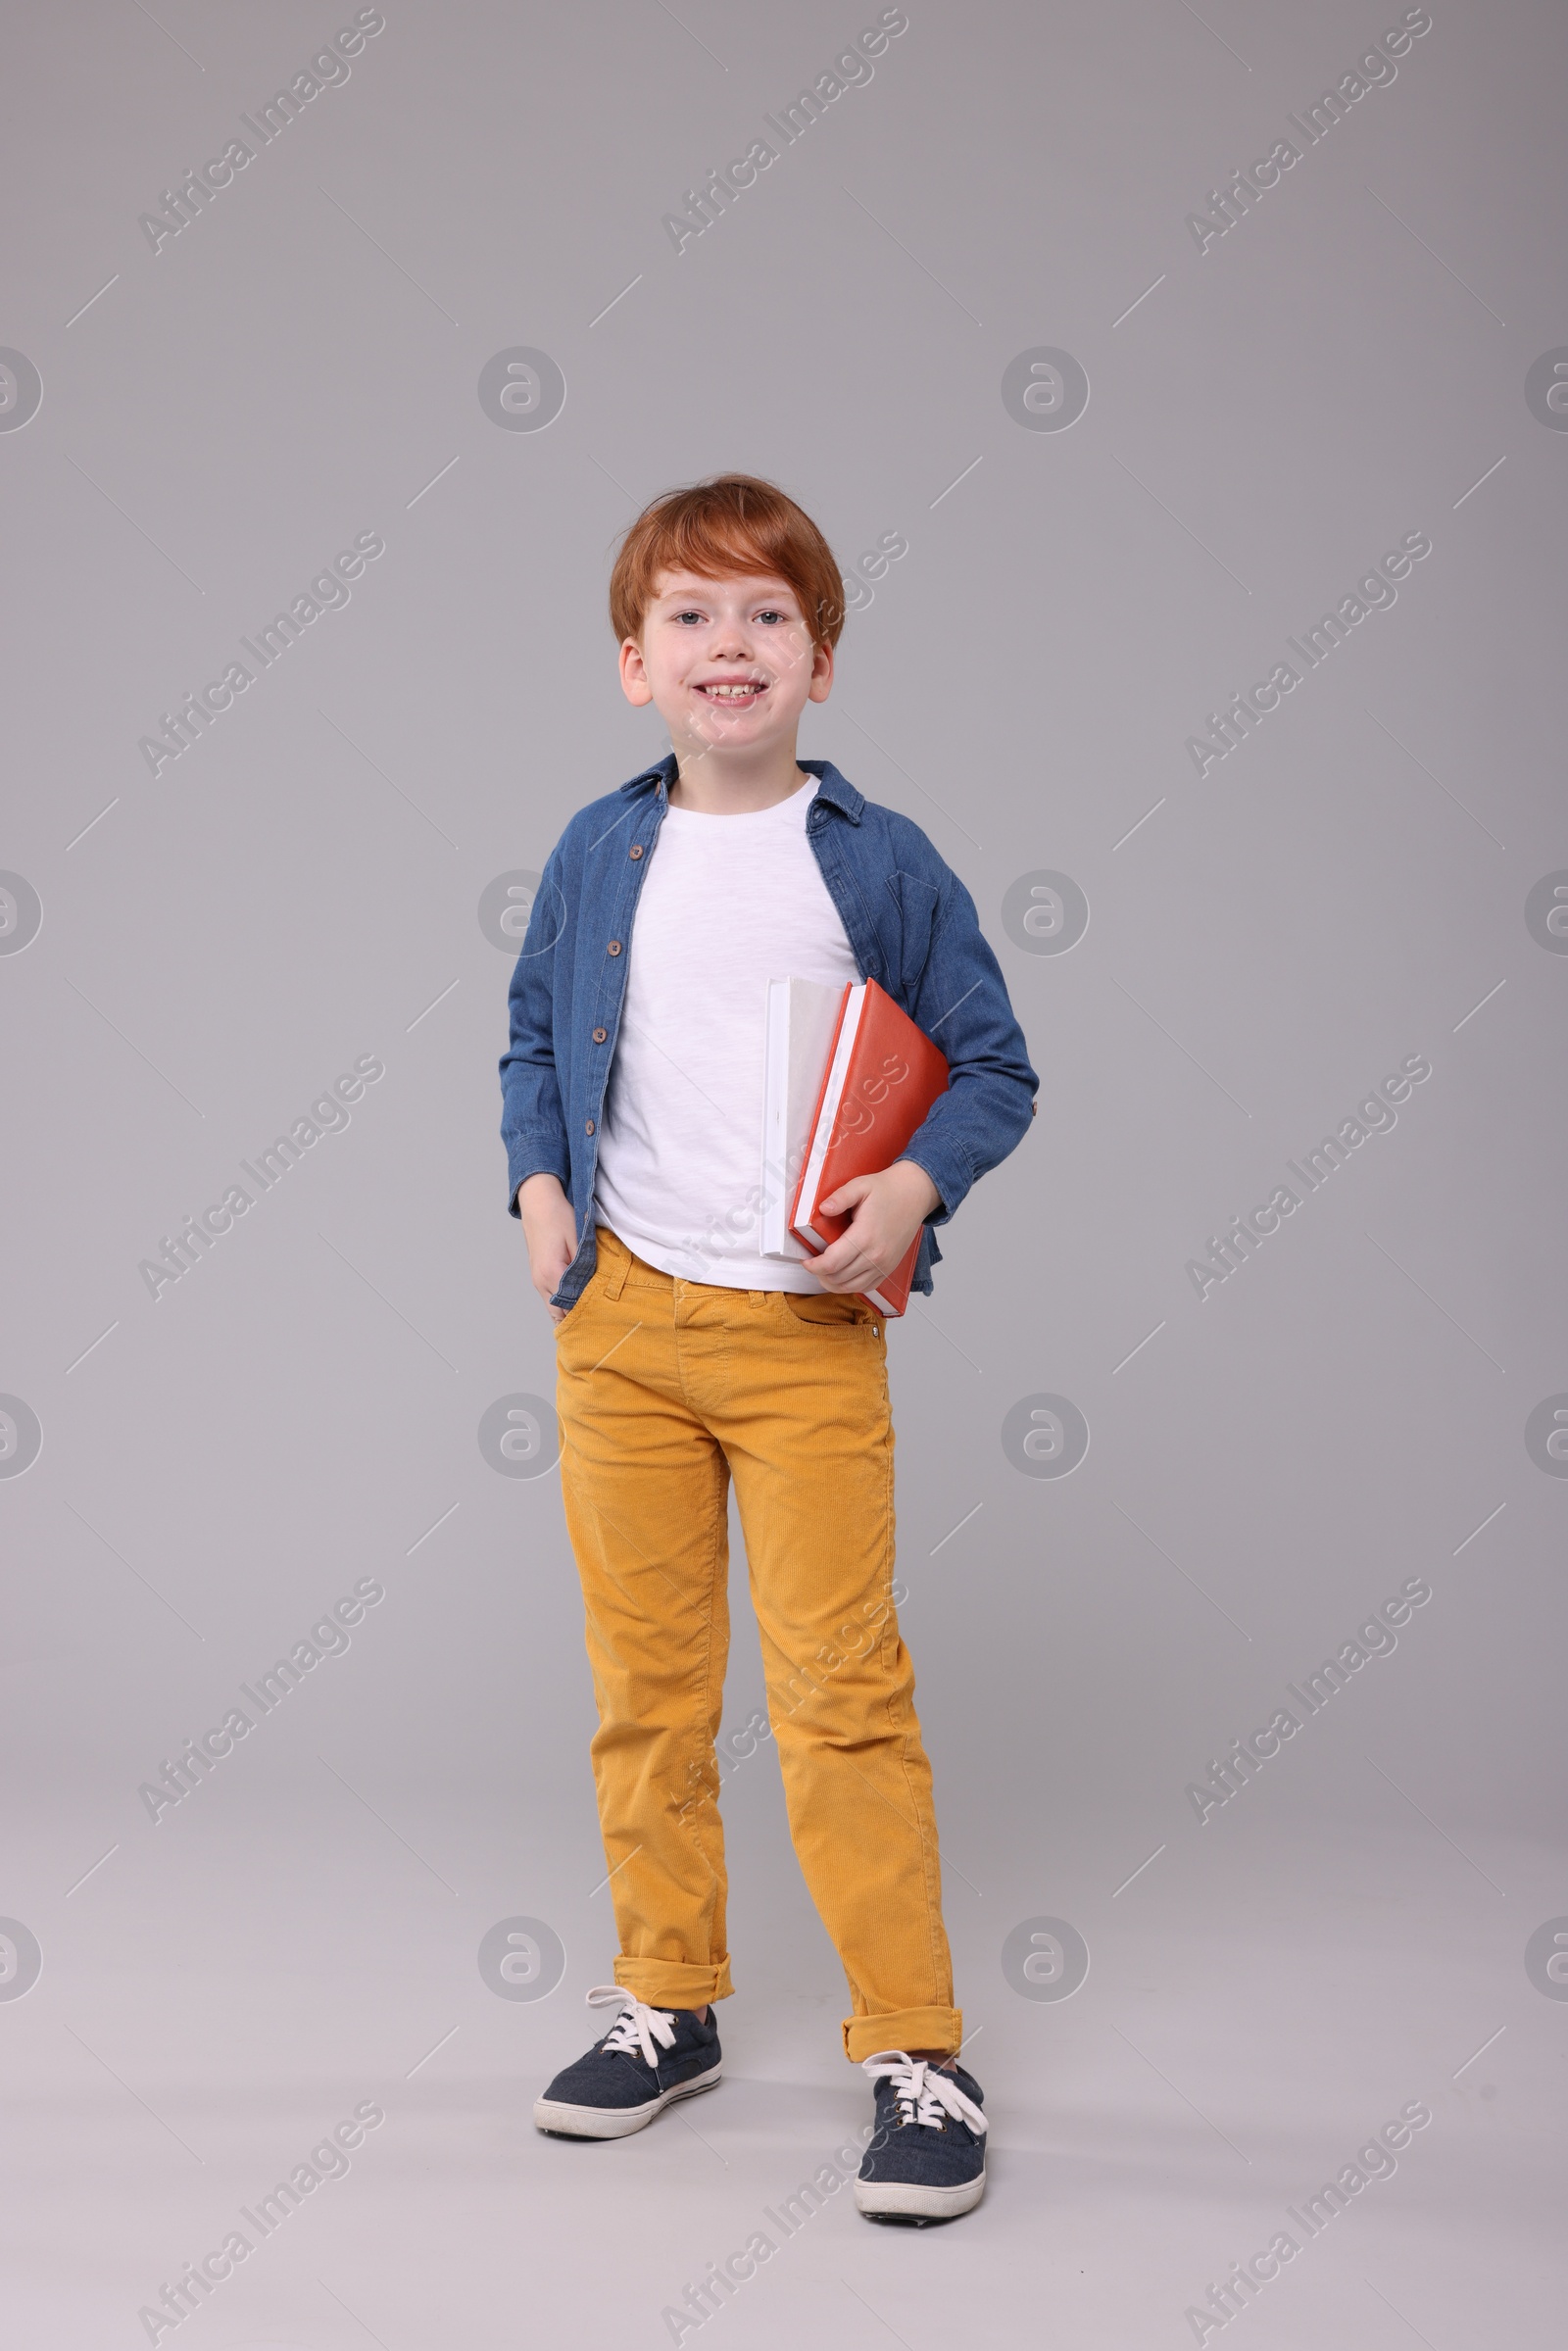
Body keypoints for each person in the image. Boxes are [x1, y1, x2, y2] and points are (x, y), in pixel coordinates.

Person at [499, 473, 1036, 2222]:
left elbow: (994, 1066)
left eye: (767, 617)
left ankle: (916, 2047)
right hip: (625, 1329)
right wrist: (535, 1186)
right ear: (630, 664)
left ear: (821, 658)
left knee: (837, 1696)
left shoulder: (874, 860)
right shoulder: (600, 847)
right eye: (689, 616)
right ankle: (670, 2001)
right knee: (646, 1696)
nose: (729, 645)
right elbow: (529, 1036)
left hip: (803, 1338)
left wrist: (915, 1187)